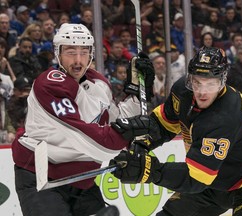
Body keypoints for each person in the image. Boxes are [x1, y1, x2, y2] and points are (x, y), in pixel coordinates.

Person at [110, 47, 242, 216]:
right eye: (197, 82)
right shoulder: (182, 91)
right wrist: (141, 143)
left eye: (211, 84)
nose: (202, 91)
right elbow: (164, 124)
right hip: (214, 180)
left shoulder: (225, 116)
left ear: (222, 81)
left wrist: (149, 170)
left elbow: (196, 178)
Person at [11, 23, 155, 216]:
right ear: (58, 54)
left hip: (82, 181)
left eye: (84, 52)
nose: (78, 60)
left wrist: (139, 95)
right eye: (71, 52)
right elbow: (88, 139)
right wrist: (126, 133)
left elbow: (114, 120)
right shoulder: (49, 84)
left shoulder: (98, 84)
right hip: (42, 178)